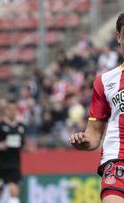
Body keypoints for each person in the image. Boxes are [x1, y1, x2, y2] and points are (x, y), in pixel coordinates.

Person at [68, 12, 124, 203]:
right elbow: (94, 135)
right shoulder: (105, 81)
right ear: (118, 37)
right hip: (118, 160)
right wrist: (84, 141)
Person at [0, 99, 25, 203]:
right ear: (6, 110)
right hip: (2, 164)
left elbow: (22, 143)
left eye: (14, 109)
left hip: (15, 164)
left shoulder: (21, 126)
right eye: (10, 109)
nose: (12, 111)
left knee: (14, 192)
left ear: (17, 110)